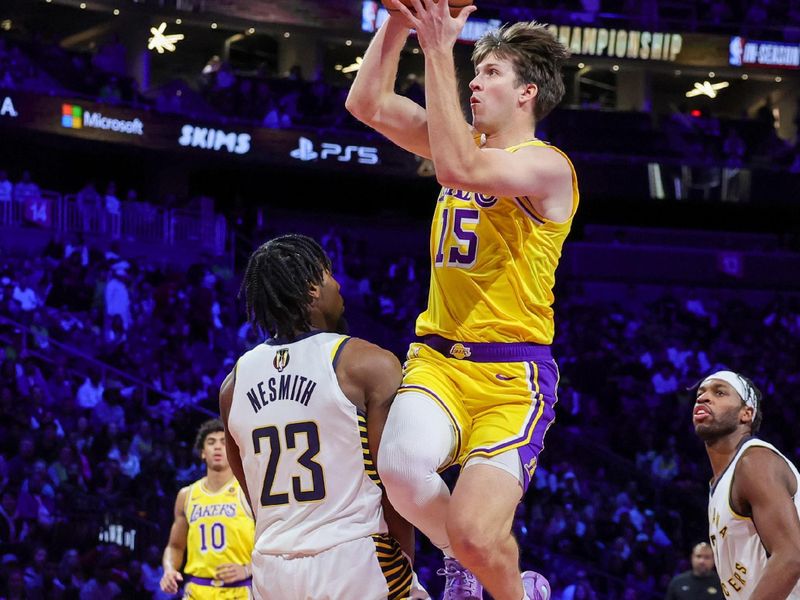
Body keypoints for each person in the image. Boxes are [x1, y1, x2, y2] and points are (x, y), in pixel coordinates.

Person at [346, 2, 577, 599]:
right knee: (396, 469)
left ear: (528, 91)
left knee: (478, 534)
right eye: (474, 72)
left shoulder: (548, 167)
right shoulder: (463, 138)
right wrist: (400, 18)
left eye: (491, 72)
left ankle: (509, 587)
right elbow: (366, 105)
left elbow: (457, 166)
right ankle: (461, 563)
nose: (475, 81)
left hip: (511, 375)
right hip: (439, 360)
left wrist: (437, 44)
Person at [219, 234, 428, 600]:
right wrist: (404, 560)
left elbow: (252, 492)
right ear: (312, 289)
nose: (339, 285)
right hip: (353, 558)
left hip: (272, 567)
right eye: (330, 275)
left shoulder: (233, 385)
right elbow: (396, 480)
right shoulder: (366, 363)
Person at [693, 370, 800, 599]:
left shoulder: (754, 462)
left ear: (746, 414)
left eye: (719, 393)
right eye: (700, 393)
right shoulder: (721, 482)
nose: (703, 398)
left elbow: (791, 556)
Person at [160, 419, 255, 599]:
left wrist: (247, 569)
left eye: (223, 442)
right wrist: (169, 569)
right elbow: (175, 546)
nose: (217, 447)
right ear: (203, 453)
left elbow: (269, 542)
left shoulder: (248, 491)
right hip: (197, 589)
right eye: (211, 442)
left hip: (240, 589)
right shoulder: (186, 495)